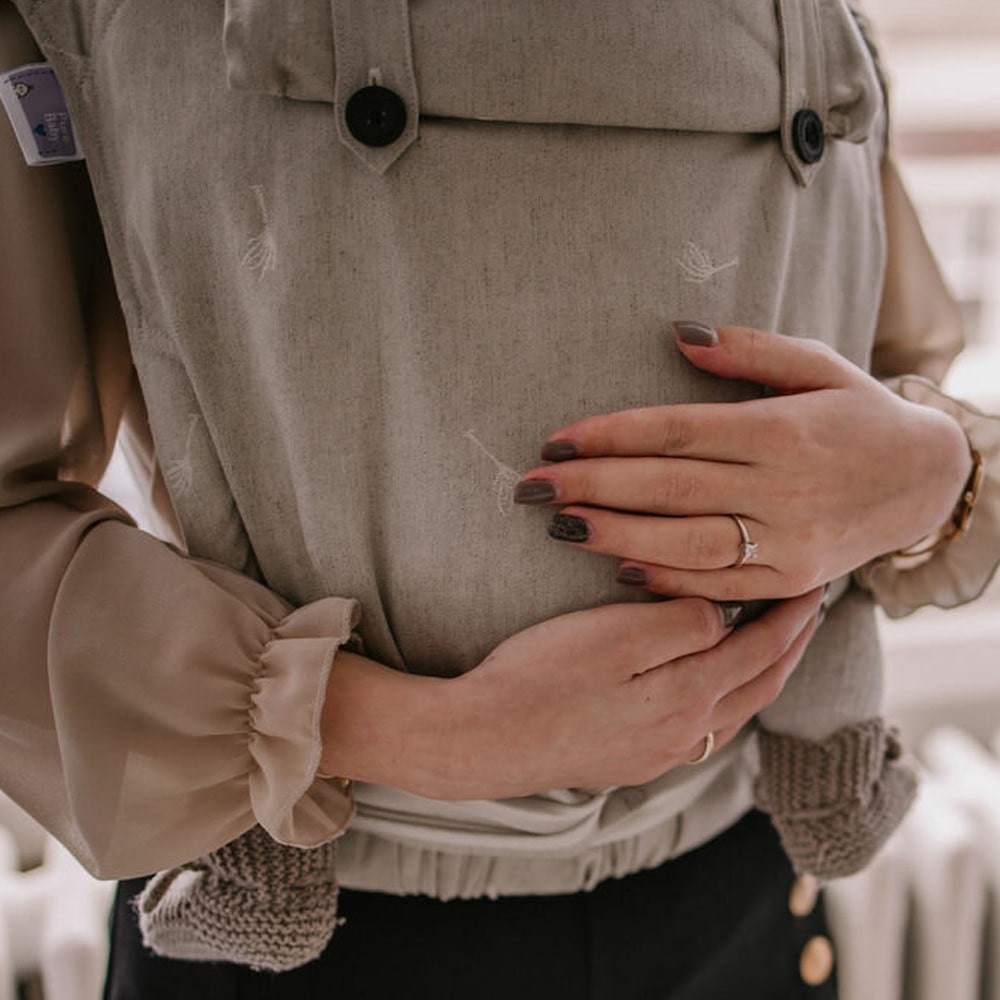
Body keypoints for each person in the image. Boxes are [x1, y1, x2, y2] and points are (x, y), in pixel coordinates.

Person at [1, 1, 998, 997]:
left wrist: (931, 474)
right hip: (329, 939)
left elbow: (885, 364)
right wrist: (411, 732)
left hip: (739, 886)